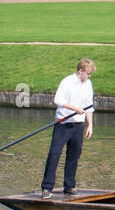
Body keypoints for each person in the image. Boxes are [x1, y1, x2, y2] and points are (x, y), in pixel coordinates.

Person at [41, 58, 95, 199]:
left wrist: (90, 125)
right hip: (63, 124)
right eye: (88, 73)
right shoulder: (67, 82)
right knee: (54, 154)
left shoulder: (88, 84)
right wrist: (74, 108)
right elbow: (58, 100)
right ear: (80, 71)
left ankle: (69, 186)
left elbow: (89, 106)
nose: (89, 76)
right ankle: (47, 188)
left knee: (74, 156)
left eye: (90, 74)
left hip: (78, 125)